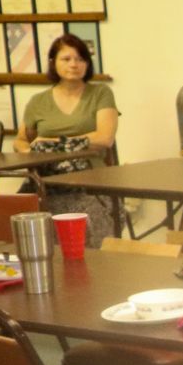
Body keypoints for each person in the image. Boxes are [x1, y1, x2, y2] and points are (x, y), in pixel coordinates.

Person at [17, 33, 117, 244]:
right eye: (67, 59)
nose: (74, 64)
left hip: (88, 180)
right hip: (44, 180)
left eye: (81, 59)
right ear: (53, 63)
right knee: (12, 213)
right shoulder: (38, 101)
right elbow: (21, 141)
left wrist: (51, 144)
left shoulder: (100, 93)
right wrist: (30, 152)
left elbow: (105, 137)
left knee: (87, 217)